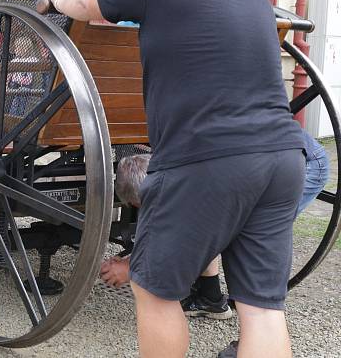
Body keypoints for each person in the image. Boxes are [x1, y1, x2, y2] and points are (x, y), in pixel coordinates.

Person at [45, 0, 305, 358]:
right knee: (260, 308)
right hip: (282, 157)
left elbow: (82, 7)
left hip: (206, 159)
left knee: (153, 289)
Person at [101, 129, 330, 322]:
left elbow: (192, 233)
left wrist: (133, 267)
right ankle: (211, 299)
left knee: (250, 245)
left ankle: (256, 332)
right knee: (215, 225)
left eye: (143, 205)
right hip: (257, 155)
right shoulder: (177, 167)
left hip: (298, 161)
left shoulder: (200, 180)